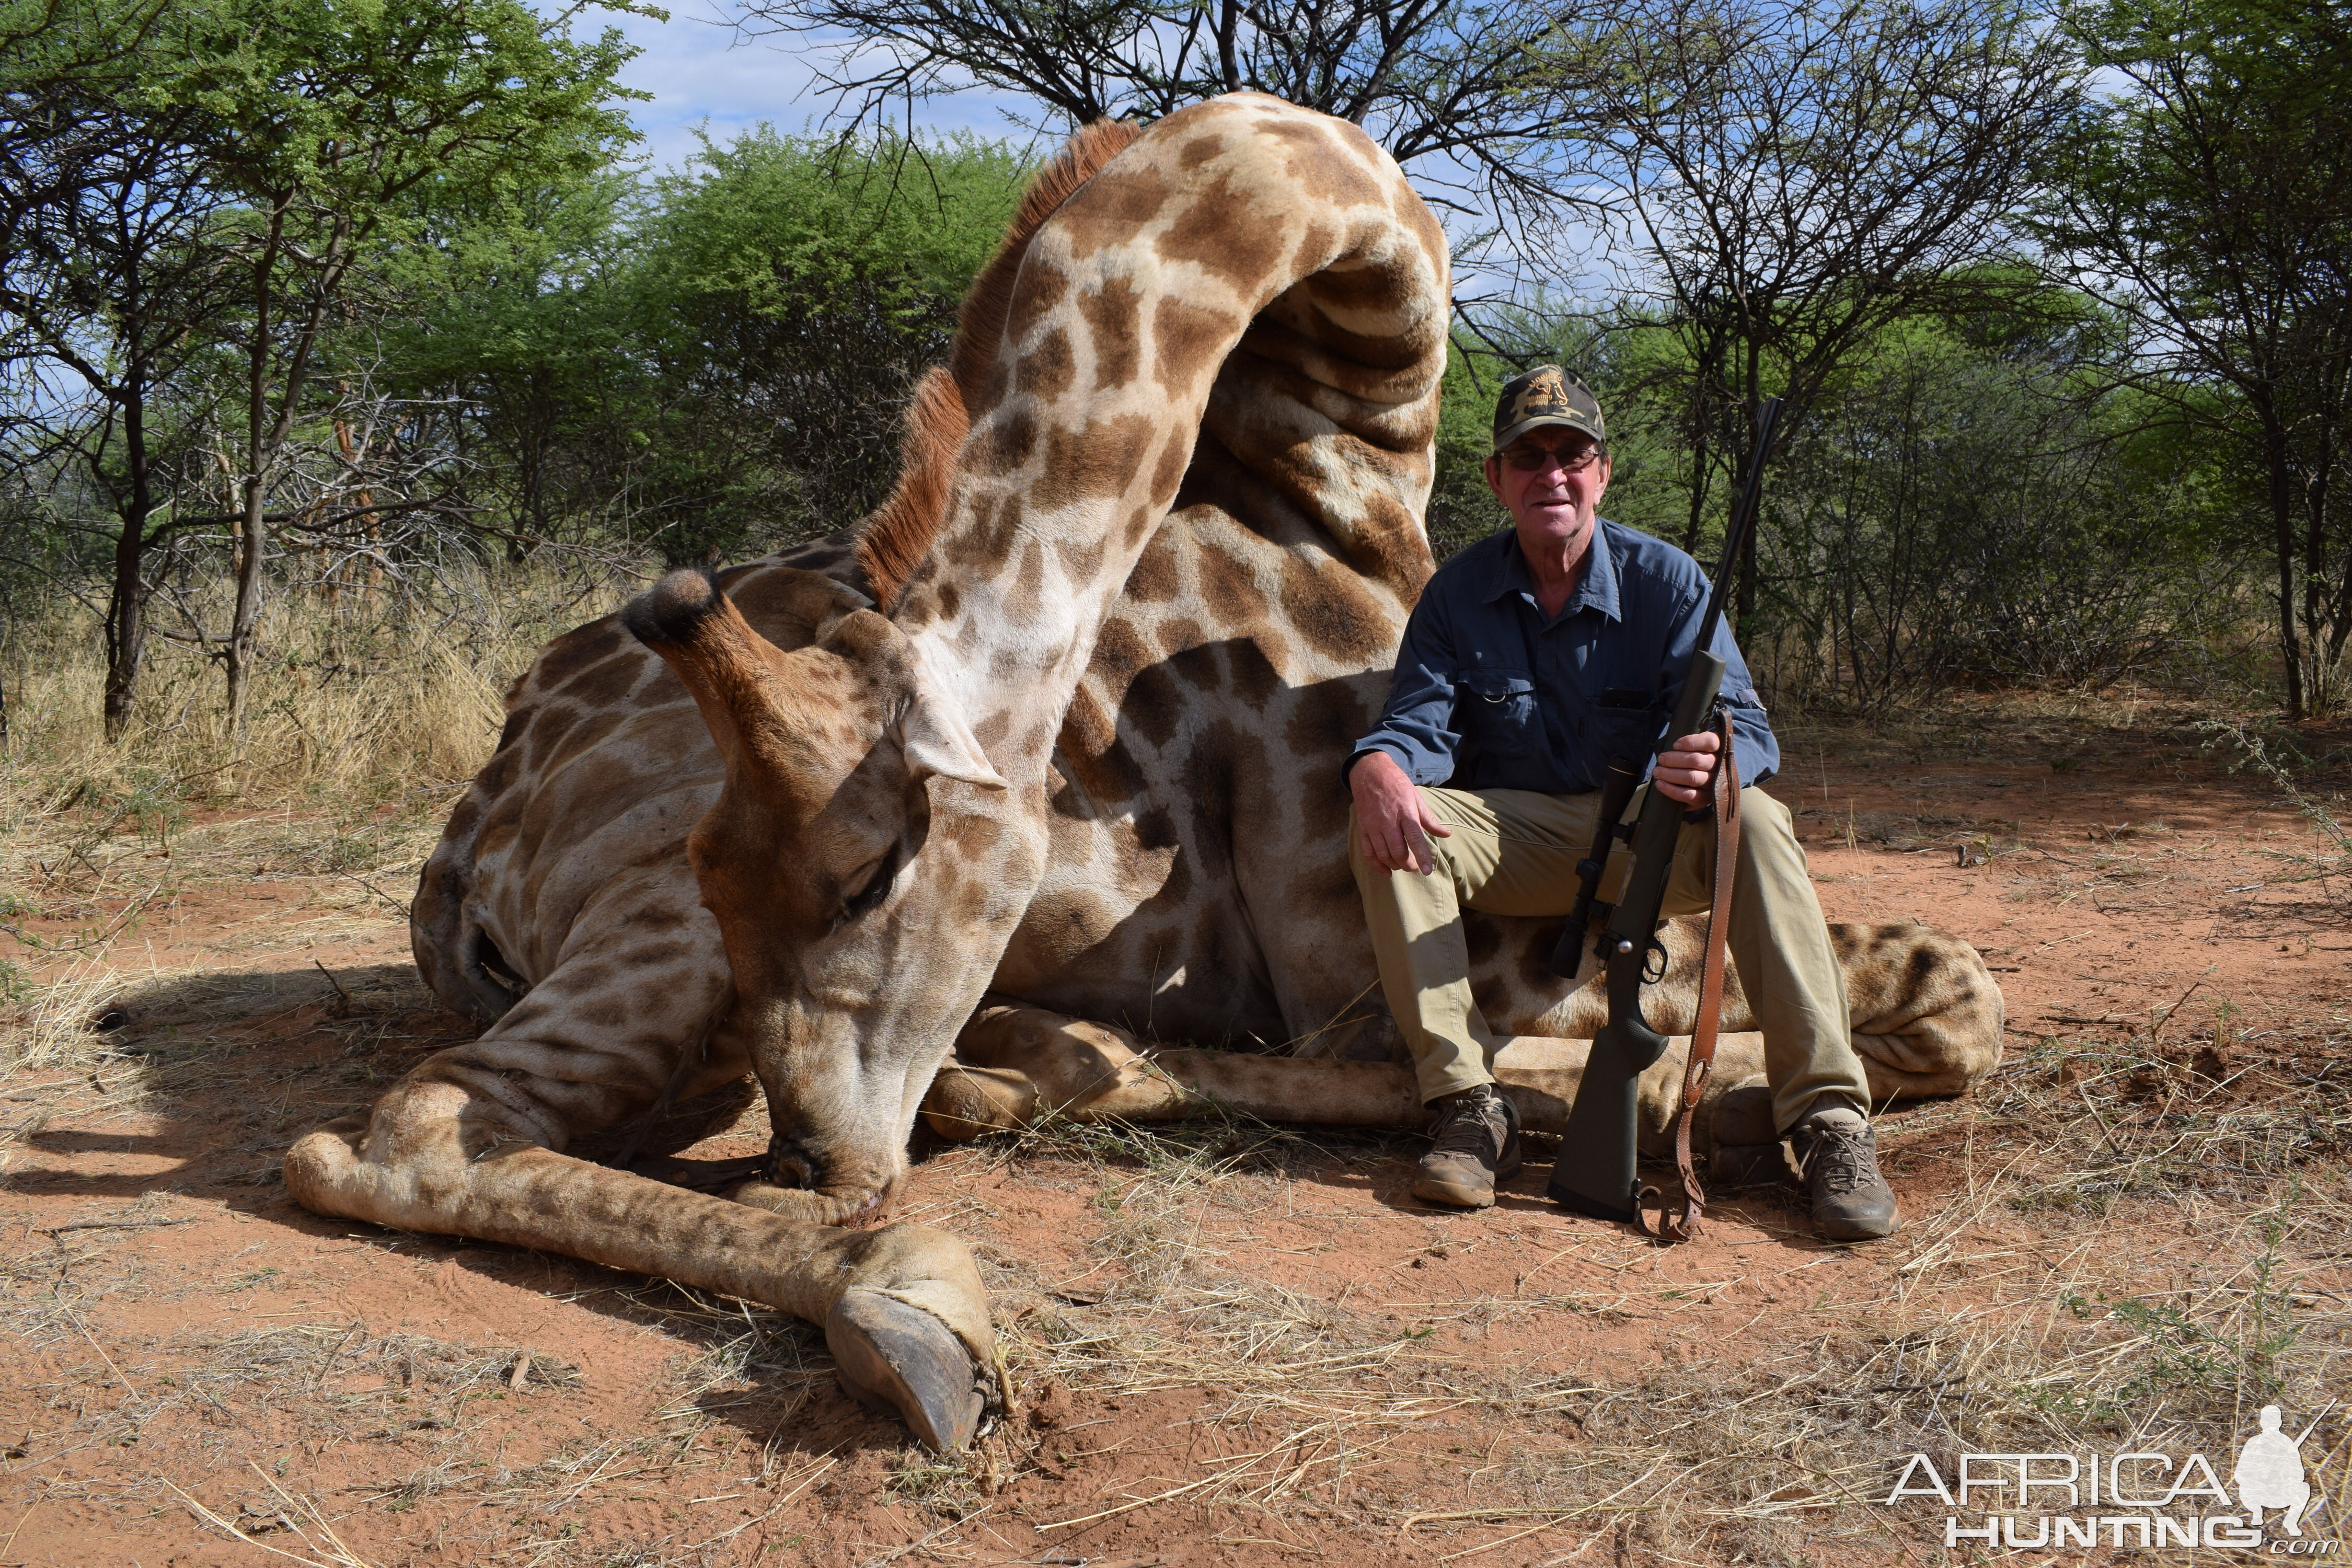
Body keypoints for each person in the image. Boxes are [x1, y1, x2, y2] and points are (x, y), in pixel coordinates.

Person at [1345, 365, 1899, 1239]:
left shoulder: (1670, 582)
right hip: (1525, 838)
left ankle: (1828, 1118)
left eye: (1572, 454)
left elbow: (1750, 729)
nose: (1551, 475)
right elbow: (1420, 725)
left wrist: (1714, 764)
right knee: (1394, 814)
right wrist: (1377, 762)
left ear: (1602, 472)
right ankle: (1468, 1106)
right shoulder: (1457, 594)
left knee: (1756, 816)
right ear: (1496, 479)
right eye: (1528, 458)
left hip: (1653, 837)